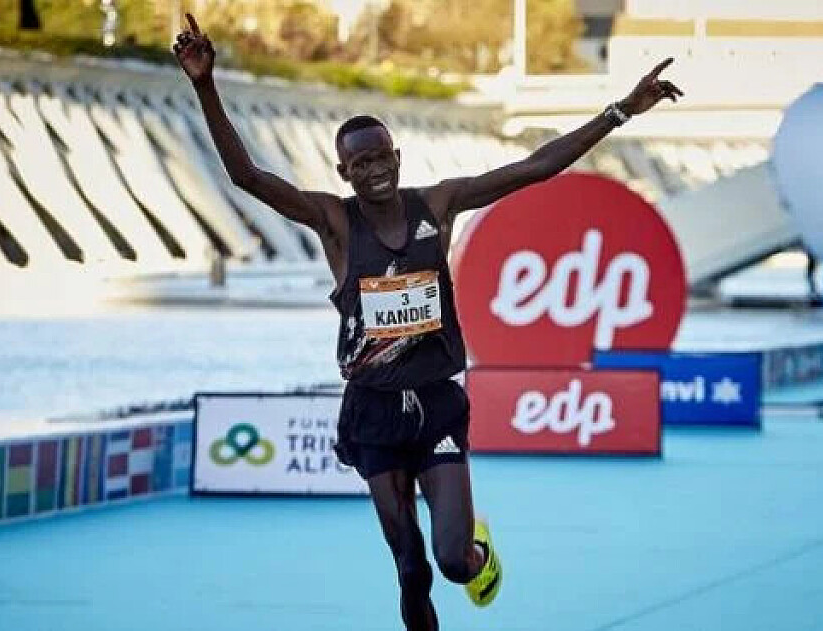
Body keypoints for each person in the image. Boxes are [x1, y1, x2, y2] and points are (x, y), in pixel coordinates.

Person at [173, 13, 682, 630]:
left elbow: (533, 168)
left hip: (437, 403)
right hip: (373, 411)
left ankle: (477, 552)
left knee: (451, 564)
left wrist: (620, 111)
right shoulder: (335, 223)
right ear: (344, 173)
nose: (374, 170)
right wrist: (205, 84)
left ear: (397, 156)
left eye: (381, 157)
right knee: (410, 568)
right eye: (360, 164)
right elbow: (246, 176)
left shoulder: (437, 206)